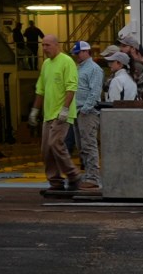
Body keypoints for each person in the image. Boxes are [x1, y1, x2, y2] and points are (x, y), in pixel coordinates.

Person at [29, 32, 78, 191]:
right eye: (42, 45)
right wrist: (34, 111)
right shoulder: (46, 65)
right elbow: (40, 89)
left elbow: (71, 88)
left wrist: (65, 109)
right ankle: (55, 182)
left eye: (47, 45)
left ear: (57, 45)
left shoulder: (67, 62)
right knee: (46, 150)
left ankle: (73, 175)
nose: (44, 48)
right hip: (48, 115)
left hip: (62, 114)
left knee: (55, 143)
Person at [71, 41, 104, 191]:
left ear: (86, 52)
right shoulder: (79, 68)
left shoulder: (94, 69)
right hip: (78, 111)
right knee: (82, 146)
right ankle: (88, 175)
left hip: (87, 112)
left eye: (78, 53)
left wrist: (85, 109)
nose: (76, 56)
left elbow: (95, 91)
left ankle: (93, 177)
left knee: (89, 144)